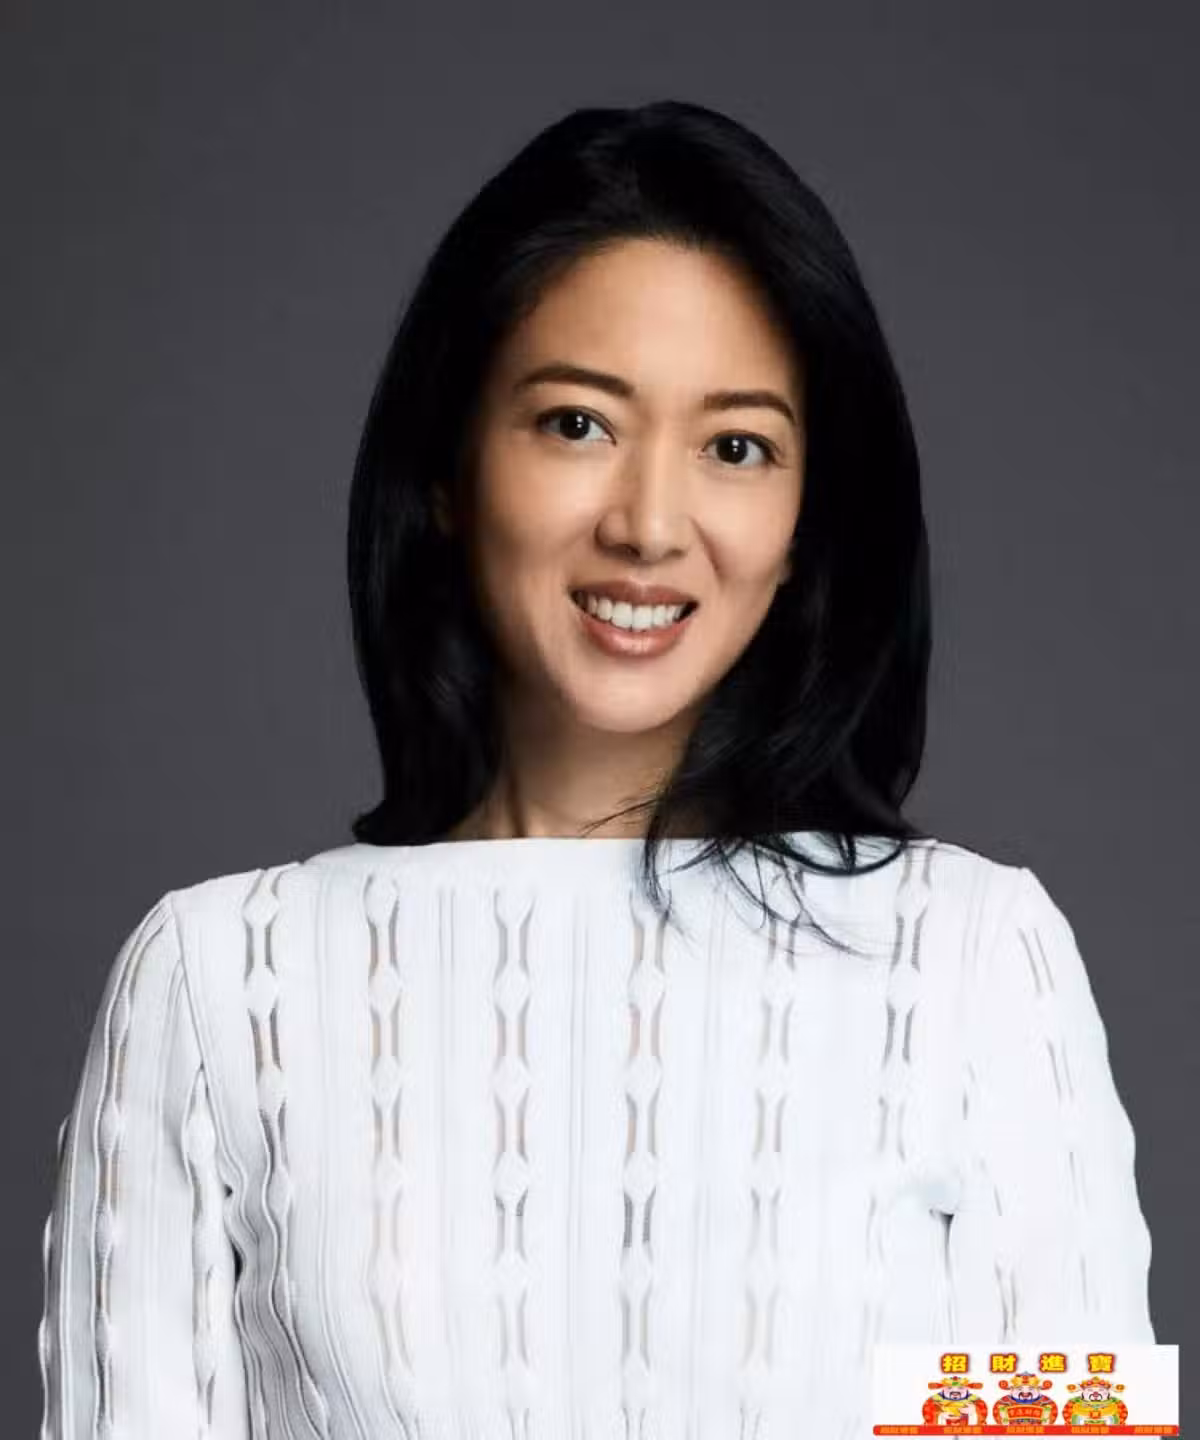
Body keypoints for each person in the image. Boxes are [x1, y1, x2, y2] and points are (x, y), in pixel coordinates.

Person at [37, 98, 1155, 1438]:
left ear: (806, 524)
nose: (650, 524)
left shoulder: (970, 962)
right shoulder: (220, 984)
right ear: (449, 468)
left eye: (736, 447)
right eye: (577, 424)